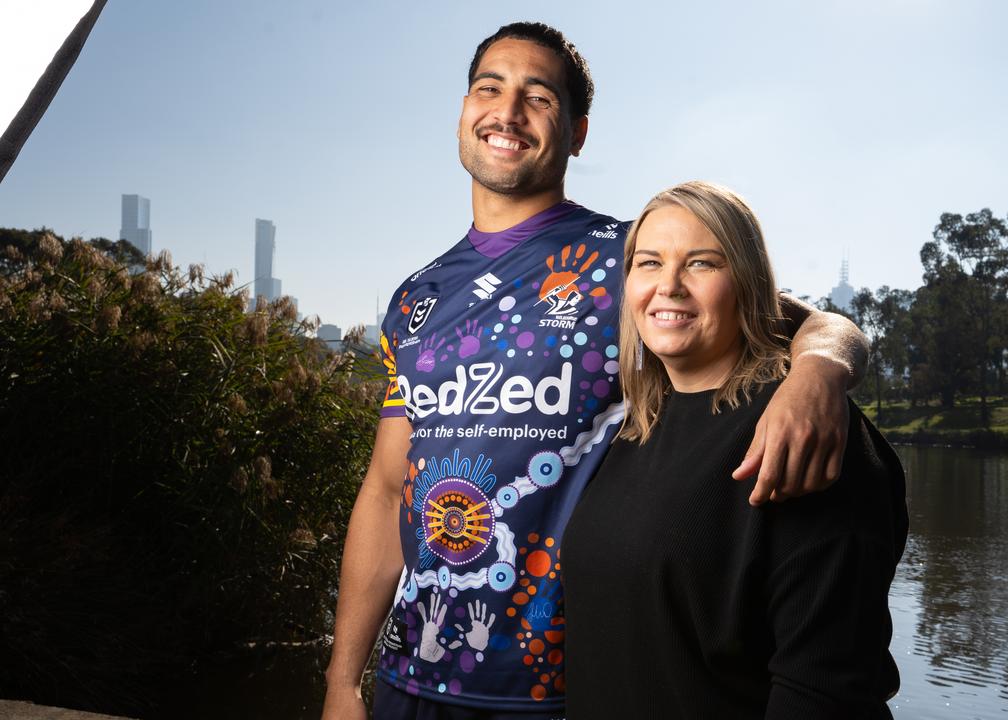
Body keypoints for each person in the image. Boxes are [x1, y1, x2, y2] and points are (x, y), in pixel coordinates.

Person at [322, 23, 870, 720]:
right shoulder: (417, 298)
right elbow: (386, 485)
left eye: (538, 97)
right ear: (464, 112)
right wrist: (344, 680)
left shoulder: (629, 259)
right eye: (488, 88)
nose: (507, 111)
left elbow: (817, 323)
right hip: (412, 683)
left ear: (578, 132)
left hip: (570, 689)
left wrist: (819, 375)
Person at [562, 181, 908, 718]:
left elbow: (824, 690)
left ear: (748, 283)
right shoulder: (634, 425)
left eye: (701, 264)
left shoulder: (801, 427)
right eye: (649, 263)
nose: (669, 286)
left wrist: (819, 368)